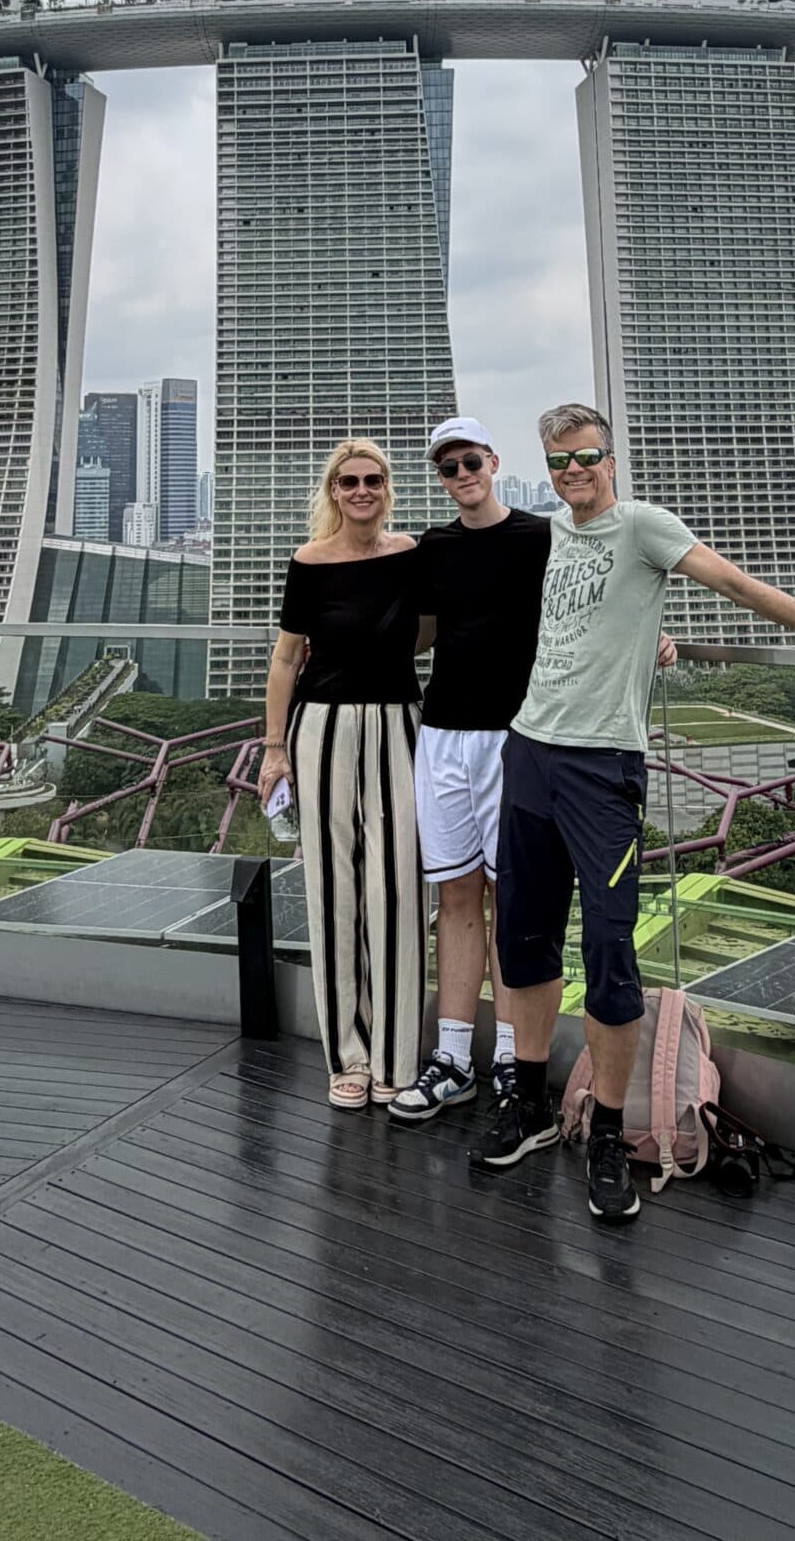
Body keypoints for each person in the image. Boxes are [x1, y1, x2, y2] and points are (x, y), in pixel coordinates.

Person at [474, 401, 795, 1221]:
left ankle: (608, 1133)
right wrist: (649, 637)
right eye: (559, 462)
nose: (574, 472)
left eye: (587, 457)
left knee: (610, 951)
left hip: (602, 767)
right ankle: (528, 1103)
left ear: (610, 460)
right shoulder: (550, 534)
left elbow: (734, 582)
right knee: (522, 941)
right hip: (527, 752)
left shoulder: (642, 525)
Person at [387, 416, 678, 1129]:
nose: (462, 475)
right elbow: (420, 632)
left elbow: (601, 591)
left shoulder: (541, 534)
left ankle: (516, 1066)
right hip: (444, 733)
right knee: (457, 896)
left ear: (494, 461)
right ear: (440, 478)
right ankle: (453, 1057)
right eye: (448, 467)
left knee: (514, 906)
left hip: (518, 738)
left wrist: (652, 632)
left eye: (471, 461)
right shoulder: (434, 547)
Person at [258, 438, 426, 1109]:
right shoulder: (309, 562)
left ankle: (396, 1054)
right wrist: (274, 749)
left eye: (373, 480)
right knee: (332, 887)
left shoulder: (411, 555)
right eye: (349, 481)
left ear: (388, 489)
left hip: (400, 723)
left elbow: (441, 624)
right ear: (333, 491)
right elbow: (285, 659)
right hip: (321, 727)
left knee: (399, 886)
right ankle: (348, 1056)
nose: (362, 491)